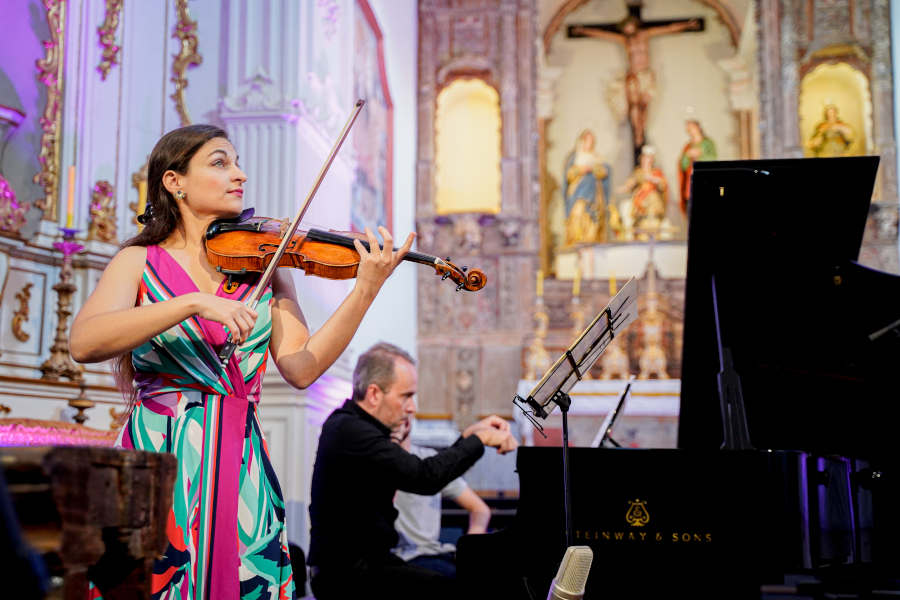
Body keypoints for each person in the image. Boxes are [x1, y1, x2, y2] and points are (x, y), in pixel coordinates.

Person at [69, 124, 414, 600]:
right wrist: (190, 303)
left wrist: (366, 289)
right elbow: (84, 342)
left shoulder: (265, 267)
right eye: (220, 162)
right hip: (158, 454)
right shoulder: (138, 261)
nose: (241, 174)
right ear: (175, 181)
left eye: (236, 163)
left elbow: (301, 368)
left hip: (242, 458)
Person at [307, 343, 517, 600]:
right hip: (345, 574)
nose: (412, 408)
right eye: (406, 395)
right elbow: (423, 476)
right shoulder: (352, 431)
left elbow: (422, 467)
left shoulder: (357, 428)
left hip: (369, 564)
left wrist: (469, 436)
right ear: (374, 394)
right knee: (455, 591)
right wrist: (479, 439)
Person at [390, 418, 491, 579]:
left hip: (431, 553)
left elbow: (479, 508)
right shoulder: (374, 459)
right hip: (397, 557)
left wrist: (469, 548)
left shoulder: (429, 460)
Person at [563, 130, 610, 246]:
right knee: (578, 213)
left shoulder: (597, 157)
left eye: (591, 140)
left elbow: (604, 172)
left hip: (594, 194)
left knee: (593, 217)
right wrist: (580, 170)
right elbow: (568, 175)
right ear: (582, 140)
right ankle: (575, 243)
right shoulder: (575, 156)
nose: (589, 142)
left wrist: (594, 169)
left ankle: (592, 242)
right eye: (587, 139)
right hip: (578, 192)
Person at [678, 119, 717, 214]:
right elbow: (683, 165)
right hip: (691, 181)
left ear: (698, 127)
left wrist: (699, 155)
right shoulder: (688, 146)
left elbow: (713, 158)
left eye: (691, 127)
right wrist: (688, 155)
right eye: (688, 128)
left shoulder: (707, 143)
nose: (689, 130)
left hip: (704, 179)